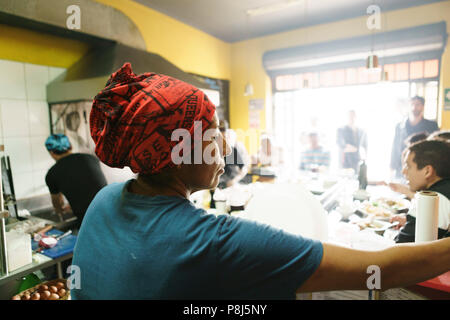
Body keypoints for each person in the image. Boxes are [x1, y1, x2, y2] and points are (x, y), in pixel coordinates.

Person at [71, 63, 450, 300]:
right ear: (177, 151)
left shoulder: (105, 200)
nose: (224, 142)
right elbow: (381, 270)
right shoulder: (214, 240)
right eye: (214, 131)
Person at [390, 140, 450, 243]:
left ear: (427, 171)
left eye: (408, 166)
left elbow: (401, 246)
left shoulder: (433, 199)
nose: (403, 171)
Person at [45, 133, 107, 230]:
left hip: (88, 219)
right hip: (109, 210)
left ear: (51, 152)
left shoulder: (52, 173)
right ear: (71, 146)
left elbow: (58, 204)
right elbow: (92, 184)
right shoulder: (91, 158)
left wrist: (60, 210)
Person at [391, 96, 439, 179]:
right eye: (412, 104)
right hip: (401, 168)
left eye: (417, 104)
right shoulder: (400, 126)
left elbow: (436, 149)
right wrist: (392, 166)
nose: (414, 107)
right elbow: (395, 147)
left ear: (423, 107)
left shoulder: (432, 126)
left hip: (422, 168)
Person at [217, 120, 250, 189]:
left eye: (224, 137)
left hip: (231, 186)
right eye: (219, 138)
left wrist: (235, 180)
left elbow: (243, 168)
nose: (223, 142)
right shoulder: (211, 153)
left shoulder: (232, 150)